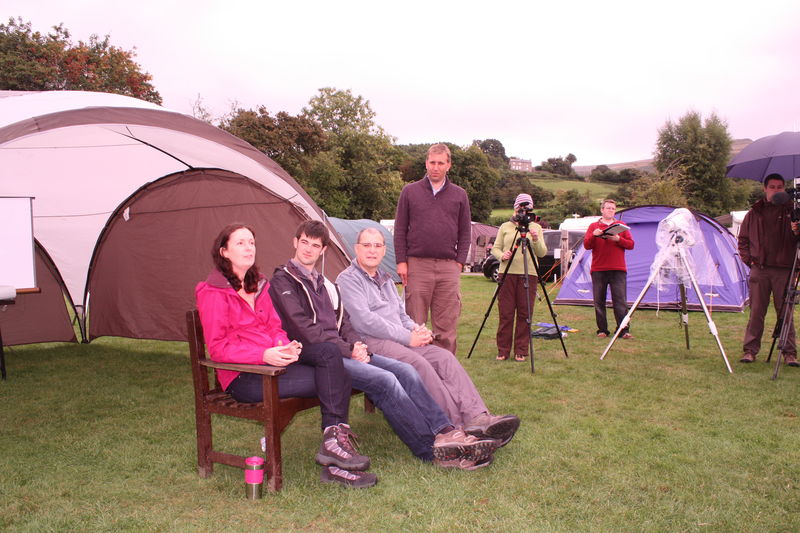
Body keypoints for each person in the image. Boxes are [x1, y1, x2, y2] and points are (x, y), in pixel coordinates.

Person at [269, 220, 500, 470]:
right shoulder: (284, 281)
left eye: (315, 245)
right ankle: (430, 449)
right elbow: (303, 328)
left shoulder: (323, 283)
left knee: (407, 371)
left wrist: (355, 344)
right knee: (387, 380)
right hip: (322, 357)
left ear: (323, 250)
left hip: (345, 349)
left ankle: (447, 432)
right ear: (295, 242)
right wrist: (350, 349)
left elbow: (344, 320)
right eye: (304, 242)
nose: (308, 250)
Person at [195, 224, 376, 488]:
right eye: (240, 243)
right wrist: (264, 354)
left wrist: (284, 346)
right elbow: (219, 348)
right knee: (338, 375)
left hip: (274, 365)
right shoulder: (212, 291)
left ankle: (333, 447)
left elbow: (274, 327)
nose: (248, 248)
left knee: (328, 354)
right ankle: (336, 457)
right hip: (244, 377)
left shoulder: (259, 285)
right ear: (224, 252)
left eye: (252, 243)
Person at [337, 227, 521, 446]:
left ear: (384, 250)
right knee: (419, 363)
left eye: (377, 246)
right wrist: (408, 338)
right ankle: (455, 428)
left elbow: (400, 315)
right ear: (356, 248)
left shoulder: (385, 279)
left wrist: (417, 330)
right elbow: (364, 321)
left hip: (400, 338)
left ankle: (478, 418)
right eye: (366, 245)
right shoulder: (348, 279)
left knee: (444, 357)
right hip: (371, 342)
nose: (372, 251)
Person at [394, 143, 471, 355]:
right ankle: (417, 372)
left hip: (448, 267)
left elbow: (465, 233)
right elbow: (400, 229)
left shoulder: (459, 195)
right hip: (417, 265)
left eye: (440, 163)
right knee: (415, 325)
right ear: (426, 163)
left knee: (446, 328)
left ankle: (446, 373)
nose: (435, 167)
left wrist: (459, 263)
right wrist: (402, 261)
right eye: (432, 162)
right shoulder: (410, 192)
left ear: (449, 165)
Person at [738, 174, 800, 366]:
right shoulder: (754, 212)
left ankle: (789, 353)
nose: (776, 190)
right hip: (760, 269)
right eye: (772, 187)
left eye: (780, 187)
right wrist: (751, 262)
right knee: (756, 311)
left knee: (785, 312)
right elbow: (743, 240)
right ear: (765, 188)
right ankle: (750, 351)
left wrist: (796, 229)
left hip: (785, 270)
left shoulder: (794, 211)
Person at [491, 193, 548, 362]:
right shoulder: (505, 226)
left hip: (528, 273)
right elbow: (495, 248)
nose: (522, 211)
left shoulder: (536, 227)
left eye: (526, 208)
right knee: (506, 313)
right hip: (507, 273)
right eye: (520, 207)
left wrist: (536, 239)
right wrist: (502, 255)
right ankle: (503, 350)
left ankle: (521, 350)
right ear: (515, 208)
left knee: (525, 313)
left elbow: (542, 253)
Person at [583, 199, 635, 339]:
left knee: (620, 301)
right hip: (599, 269)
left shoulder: (621, 225)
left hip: (618, 268)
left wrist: (618, 239)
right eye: (608, 208)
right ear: (602, 210)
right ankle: (602, 330)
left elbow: (631, 245)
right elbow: (587, 245)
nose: (610, 210)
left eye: (613, 208)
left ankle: (623, 330)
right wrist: (595, 235)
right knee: (599, 301)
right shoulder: (593, 226)